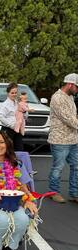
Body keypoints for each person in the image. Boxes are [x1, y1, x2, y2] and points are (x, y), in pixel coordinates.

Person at [47, 73, 78, 203]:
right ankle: (54, 192)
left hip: (73, 139)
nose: (77, 90)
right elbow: (68, 119)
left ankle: (74, 193)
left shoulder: (70, 97)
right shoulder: (57, 98)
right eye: (77, 87)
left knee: (76, 166)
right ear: (70, 84)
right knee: (58, 167)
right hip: (59, 140)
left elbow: (74, 115)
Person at [0, 83, 24, 151]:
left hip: (17, 129)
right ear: (8, 93)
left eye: (16, 92)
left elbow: (21, 114)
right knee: (7, 150)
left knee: (19, 149)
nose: (14, 94)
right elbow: (1, 117)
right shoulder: (5, 104)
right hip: (8, 130)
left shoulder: (17, 103)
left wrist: (25, 112)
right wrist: (11, 125)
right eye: (12, 93)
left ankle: (17, 162)